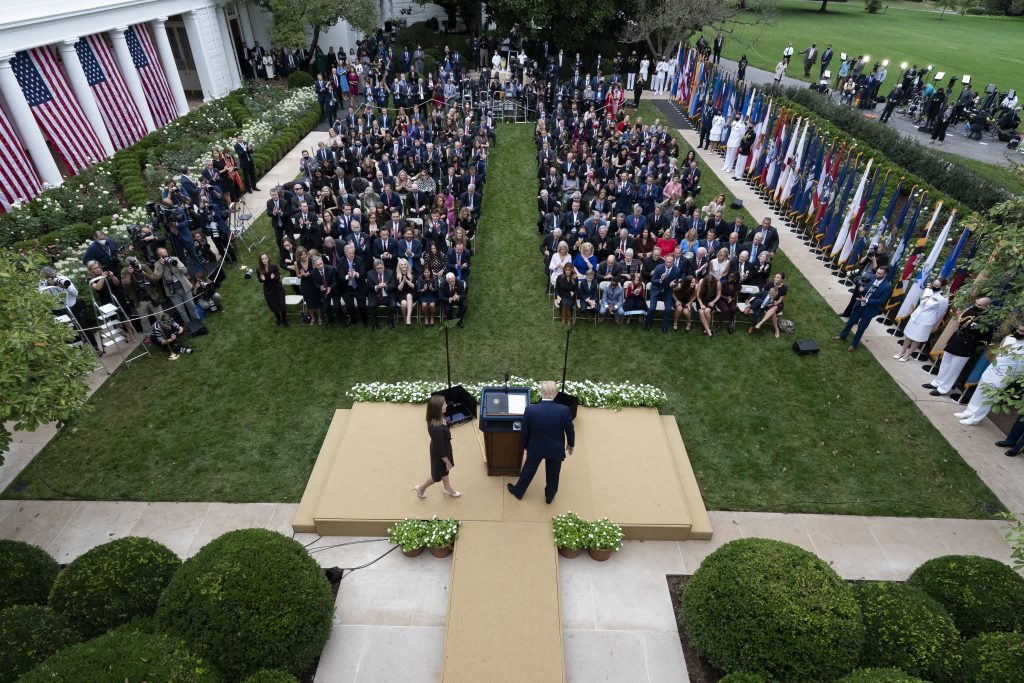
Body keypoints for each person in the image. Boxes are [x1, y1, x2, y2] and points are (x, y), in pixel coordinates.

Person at [507, 380, 575, 504]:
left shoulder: (530, 410)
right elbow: (570, 430)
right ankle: (549, 497)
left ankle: (518, 491)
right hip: (555, 448)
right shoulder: (564, 410)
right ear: (556, 393)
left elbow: (524, 431)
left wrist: (525, 445)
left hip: (535, 447)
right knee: (553, 474)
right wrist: (571, 444)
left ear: (541, 392)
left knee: (528, 469)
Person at [954, 326, 1024, 426]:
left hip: (1003, 376)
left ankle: (975, 419)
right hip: (991, 369)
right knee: (979, 392)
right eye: (1018, 329)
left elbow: (1020, 369)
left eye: (1022, 331)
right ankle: (969, 411)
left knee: (988, 398)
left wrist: (1010, 379)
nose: (1018, 332)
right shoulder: (1009, 338)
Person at [923, 298, 992, 396]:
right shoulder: (970, 310)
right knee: (944, 364)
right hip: (956, 340)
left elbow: (985, 339)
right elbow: (961, 322)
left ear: (987, 307)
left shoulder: (987, 320)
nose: (976, 306)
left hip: (967, 346)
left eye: (980, 305)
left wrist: (972, 342)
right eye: (976, 303)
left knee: (953, 369)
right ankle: (937, 383)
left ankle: (943, 388)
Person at [412, 395, 461, 498]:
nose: (446, 405)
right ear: (438, 408)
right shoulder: (437, 429)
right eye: (444, 404)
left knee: (444, 470)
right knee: (436, 475)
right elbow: (440, 450)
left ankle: (447, 488)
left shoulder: (435, 418)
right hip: (440, 453)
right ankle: (420, 489)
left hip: (440, 447)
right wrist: (447, 461)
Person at [833, 266, 890, 351]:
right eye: (877, 272)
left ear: (885, 274)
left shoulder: (887, 287)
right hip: (859, 305)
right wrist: (861, 290)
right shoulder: (871, 278)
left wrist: (866, 300)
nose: (877, 274)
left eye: (879, 273)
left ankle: (853, 344)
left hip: (869, 310)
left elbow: (881, 301)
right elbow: (863, 288)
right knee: (850, 322)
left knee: (861, 328)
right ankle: (842, 335)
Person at [894, 277, 948, 361]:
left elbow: (940, 314)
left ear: (942, 287)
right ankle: (902, 352)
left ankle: (907, 355)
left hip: (926, 321)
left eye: (937, 285)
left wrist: (934, 325)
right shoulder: (927, 290)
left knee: (917, 338)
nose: (934, 286)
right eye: (934, 284)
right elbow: (921, 302)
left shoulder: (942, 299)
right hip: (915, 316)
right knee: (908, 335)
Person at [645, 253, 681, 333]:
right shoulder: (658, 268)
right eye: (666, 262)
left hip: (667, 291)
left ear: (673, 262)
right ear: (665, 260)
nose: (668, 264)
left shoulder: (677, 270)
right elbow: (653, 281)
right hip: (656, 289)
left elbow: (676, 282)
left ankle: (664, 326)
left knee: (668, 309)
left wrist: (673, 285)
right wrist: (660, 280)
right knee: (651, 308)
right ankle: (648, 323)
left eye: (670, 262)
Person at [256, 252, 287, 326]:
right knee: (273, 305)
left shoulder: (274, 267)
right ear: (261, 260)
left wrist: (273, 278)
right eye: (263, 259)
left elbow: (278, 277)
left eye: (266, 258)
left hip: (277, 288)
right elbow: (260, 280)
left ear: (268, 258)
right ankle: (278, 318)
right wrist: (262, 279)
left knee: (282, 304)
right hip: (268, 290)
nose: (265, 260)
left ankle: (284, 319)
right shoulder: (259, 269)